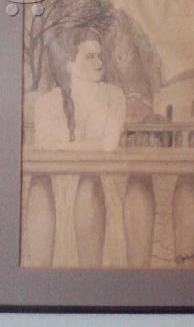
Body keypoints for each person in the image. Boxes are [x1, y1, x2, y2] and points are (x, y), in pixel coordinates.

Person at [25, 27, 126, 268]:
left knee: (89, 190)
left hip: (98, 193)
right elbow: (44, 146)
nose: (99, 63)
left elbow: (109, 144)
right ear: (69, 64)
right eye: (90, 56)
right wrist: (82, 147)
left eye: (99, 56)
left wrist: (65, 147)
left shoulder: (114, 96)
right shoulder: (47, 103)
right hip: (55, 192)